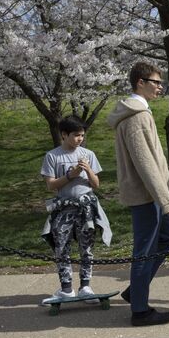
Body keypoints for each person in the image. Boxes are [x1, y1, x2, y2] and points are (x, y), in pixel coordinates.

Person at [107, 62, 169, 326]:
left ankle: (135, 291)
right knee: (144, 250)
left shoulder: (138, 112)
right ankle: (140, 310)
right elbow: (145, 163)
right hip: (146, 195)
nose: (160, 87)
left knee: (167, 237)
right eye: (155, 82)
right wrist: (165, 200)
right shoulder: (136, 116)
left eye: (160, 82)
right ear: (140, 82)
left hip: (149, 194)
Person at [40, 115, 111, 304]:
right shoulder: (52, 156)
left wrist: (87, 170)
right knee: (61, 247)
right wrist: (71, 175)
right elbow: (51, 185)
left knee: (86, 247)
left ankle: (86, 286)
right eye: (76, 135)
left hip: (86, 208)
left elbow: (96, 184)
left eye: (82, 135)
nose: (80, 139)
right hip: (63, 208)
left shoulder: (89, 154)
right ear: (64, 134)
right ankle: (66, 289)